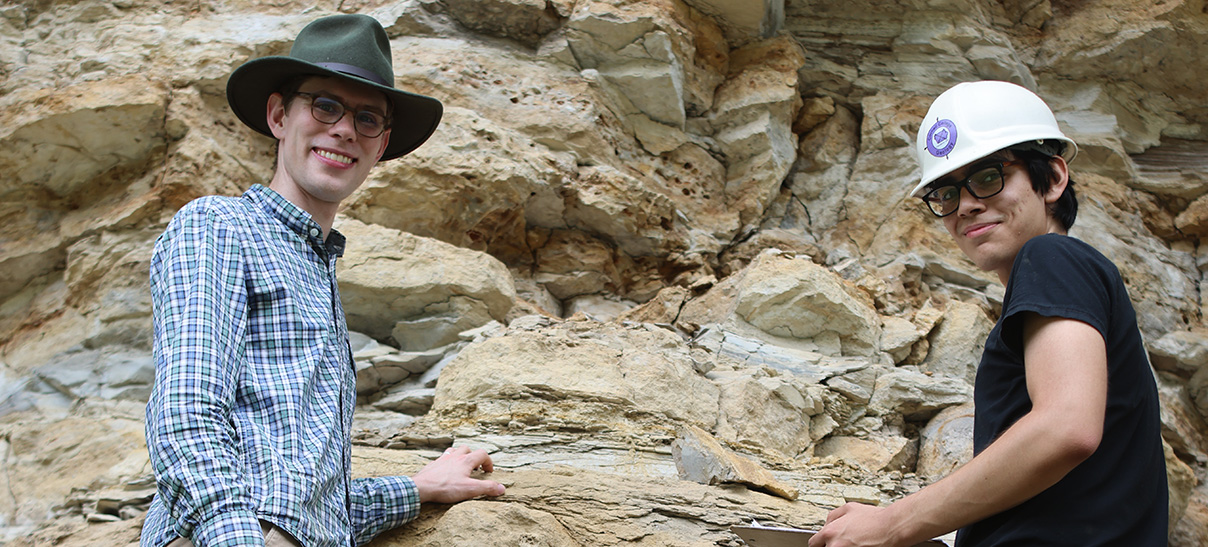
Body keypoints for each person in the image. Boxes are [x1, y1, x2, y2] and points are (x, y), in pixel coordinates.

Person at [142, 14, 505, 547]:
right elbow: (186, 412)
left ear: (380, 146)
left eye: (367, 118)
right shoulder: (219, 225)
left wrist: (418, 487)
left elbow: (307, 506)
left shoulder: (318, 274)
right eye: (325, 105)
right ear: (278, 115)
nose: (343, 130)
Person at [810, 81, 1168, 546]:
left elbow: (1066, 428)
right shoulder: (1061, 284)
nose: (966, 205)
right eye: (945, 194)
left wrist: (894, 524)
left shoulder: (1053, 259)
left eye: (988, 177)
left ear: (1054, 178)